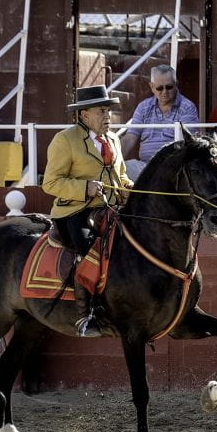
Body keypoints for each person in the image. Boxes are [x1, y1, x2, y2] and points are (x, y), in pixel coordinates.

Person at [42, 85, 133, 337]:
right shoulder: (64, 140)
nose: (108, 116)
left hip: (110, 209)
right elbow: (50, 183)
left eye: (109, 111)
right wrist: (86, 188)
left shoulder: (113, 139)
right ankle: (86, 316)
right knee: (87, 245)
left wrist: (129, 188)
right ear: (84, 115)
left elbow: (121, 176)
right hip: (75, 211)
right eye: (102, 111)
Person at [121, 64, 199, 181]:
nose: (164, 92)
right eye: (159, 88)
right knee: (121, 169)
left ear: (176, 85)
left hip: (173, 169)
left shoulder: (187, 107)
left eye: (169, 87)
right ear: (152, 87)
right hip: (145, 167)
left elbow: (188, 144)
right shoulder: (143, 107)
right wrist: (113, 158)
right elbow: (130, 138)